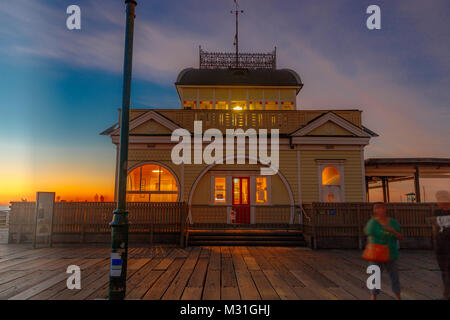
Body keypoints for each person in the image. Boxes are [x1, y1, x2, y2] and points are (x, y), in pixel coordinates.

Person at [365, 203, 403, 300]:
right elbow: (368, 233)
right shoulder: (372, 223)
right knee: (374, 276)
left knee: (394, 276)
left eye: (382, 207)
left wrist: (393, 231)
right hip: (376, 254)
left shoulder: (393, 222)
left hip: (391, 253)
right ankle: (373, 296)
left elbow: (400, 236)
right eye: (377, 208)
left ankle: (398, 296)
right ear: (374, 210)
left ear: (385, 209)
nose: (380, 210)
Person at [432, 190, 450, 300]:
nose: (438, 201)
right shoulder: (437, 212)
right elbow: (435, 228)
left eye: (440, 199)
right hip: (441, 246)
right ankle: (447, 293)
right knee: (444, 270)